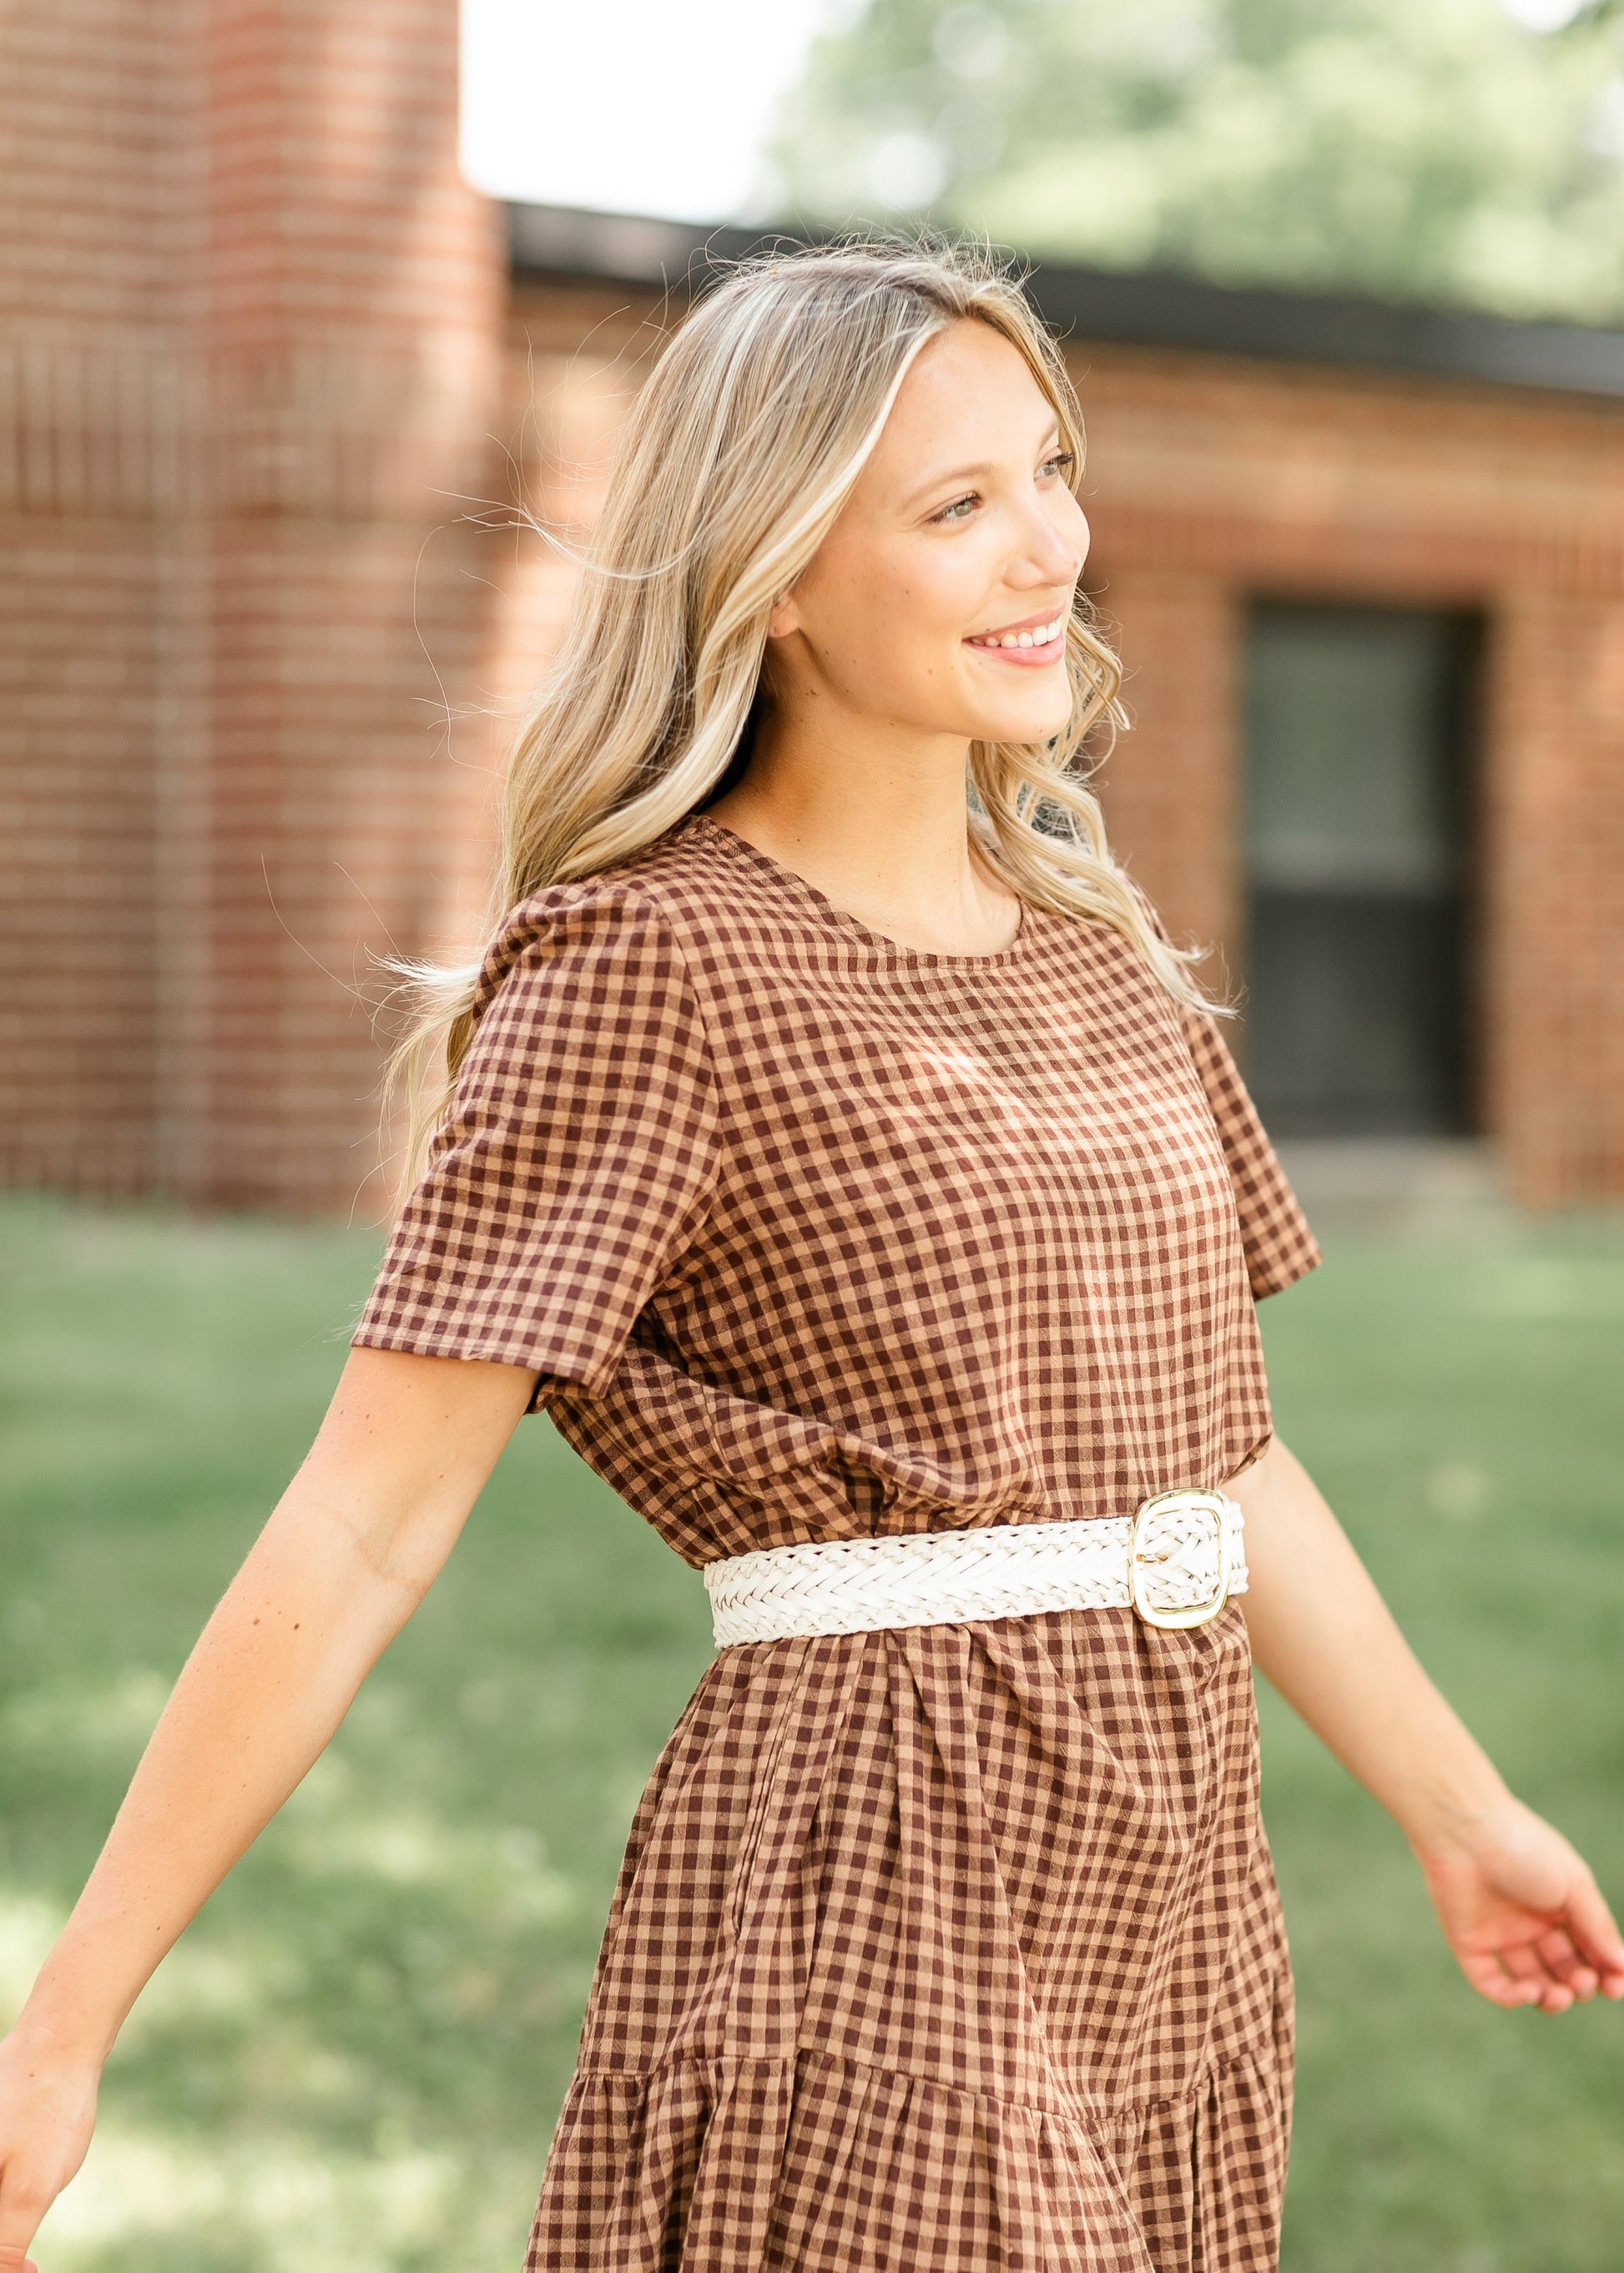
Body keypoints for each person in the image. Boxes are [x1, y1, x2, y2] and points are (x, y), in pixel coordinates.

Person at [0, 237, 1618, 2273]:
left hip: (1175, 1904)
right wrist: (58, 2034)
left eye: (1049, 468)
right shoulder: (648, 962)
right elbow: (363, 1527)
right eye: (956, 507)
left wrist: (1461, 1817)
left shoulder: (1100, 951)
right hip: (879, 1879)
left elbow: (1218, 1459)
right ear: (772, 574)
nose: (1048, 547)